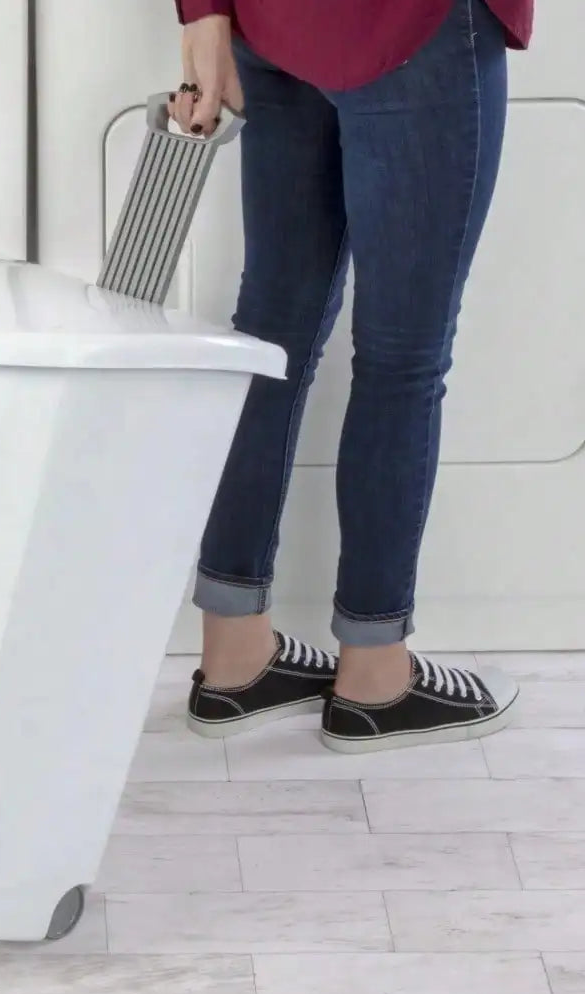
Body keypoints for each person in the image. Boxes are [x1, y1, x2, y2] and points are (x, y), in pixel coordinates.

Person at [170, 0, 534, 752]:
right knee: (403, 357)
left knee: (273, 329)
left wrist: (202, 14)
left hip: (271, 24)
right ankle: (375, 675)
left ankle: (234, 655)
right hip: (416, 26)